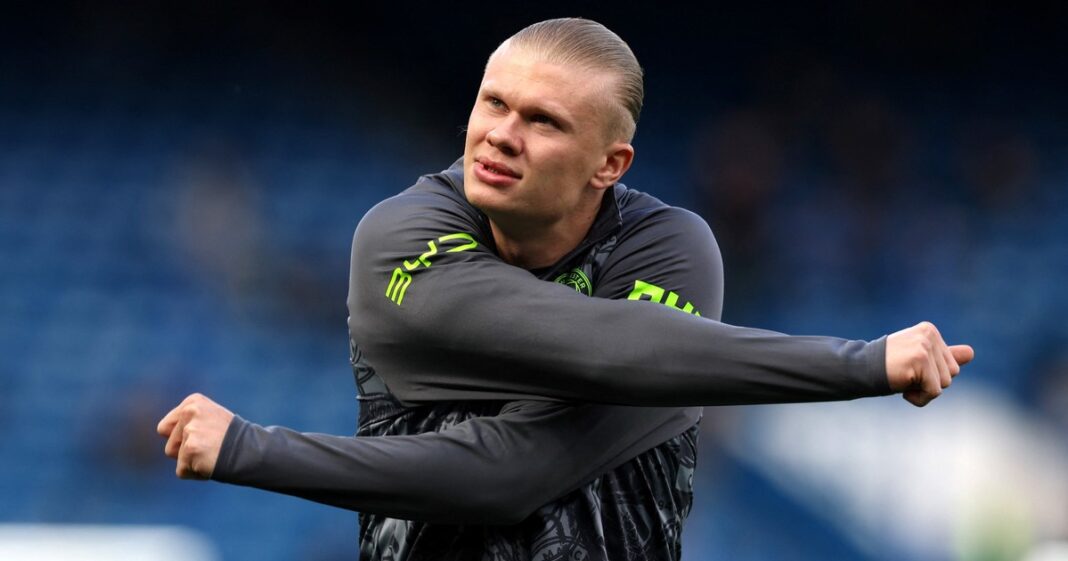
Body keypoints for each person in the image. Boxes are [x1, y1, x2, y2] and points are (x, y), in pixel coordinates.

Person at [158, 17, 974, 561]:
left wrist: (253, 449)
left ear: (609, 164)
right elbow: (589, 367)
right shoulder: (400, 240)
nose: (500, 135)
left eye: (543, 121)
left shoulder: (671, 249)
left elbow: (530, 453)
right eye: (493, 103)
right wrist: (863, 364)